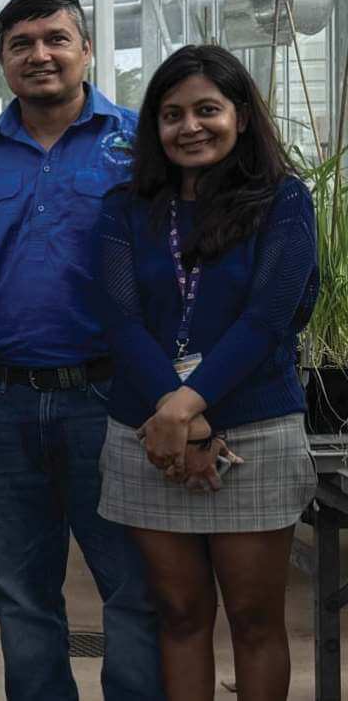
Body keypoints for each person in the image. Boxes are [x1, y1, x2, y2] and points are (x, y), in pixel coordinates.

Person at [0, 0, 161, 701]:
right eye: (21, 44)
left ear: (87, 48)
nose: (40, 55)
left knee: (133, 584)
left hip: (114, 400)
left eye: (56, 39)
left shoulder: (140, 146)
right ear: (1, 60)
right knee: (20, 592)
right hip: (0, 405)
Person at [97, 45, 317, 701]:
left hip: (252, 428)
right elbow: (120, 319)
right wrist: (174, 416)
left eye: (207, 109)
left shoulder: (283, 200)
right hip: (148, 435)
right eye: (172, 114)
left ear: (242, 116)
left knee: (254, 620)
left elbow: (270, 315)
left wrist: (183, 407)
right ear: (154, 128)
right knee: (181, 614)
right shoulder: (125, 207)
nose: (190, 126)